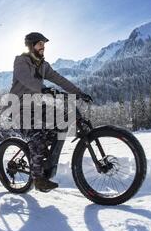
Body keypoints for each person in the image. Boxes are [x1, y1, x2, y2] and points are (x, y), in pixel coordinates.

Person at [10, 32, 92, 192]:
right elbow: (26, 79)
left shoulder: (43, 65)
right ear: (31, 45)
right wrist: (43, 88)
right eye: (40, 44)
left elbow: (59, 79)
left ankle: (44, 158)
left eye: (43, 44)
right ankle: (38, 178)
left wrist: (78, 92)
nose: (43, 47)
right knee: (37, 135)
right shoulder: (21, 61)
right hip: (19, 107)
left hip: (37, 106)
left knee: (62, 121)